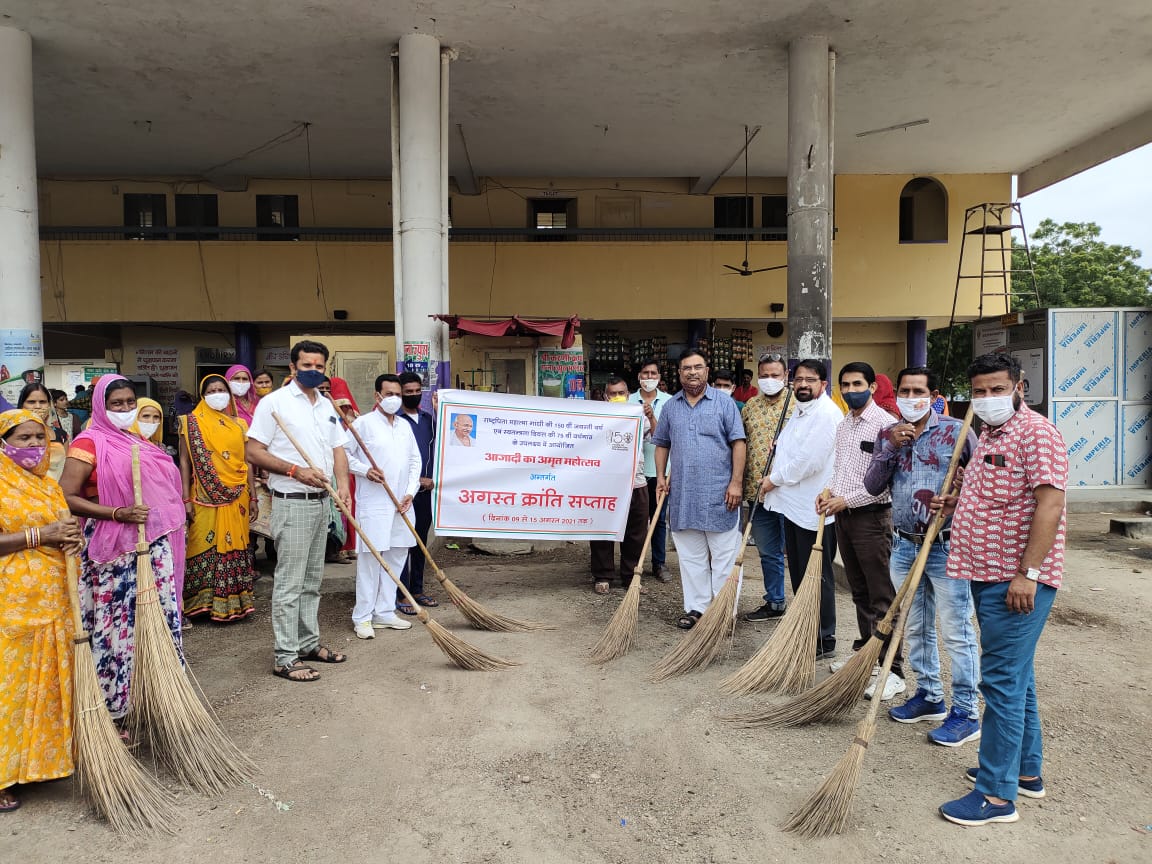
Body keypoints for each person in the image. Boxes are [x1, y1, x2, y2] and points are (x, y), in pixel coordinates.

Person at [937, 352, 1067, 827]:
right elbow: (1001, 496)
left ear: (1019, 386)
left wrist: (1026, 574)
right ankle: (1026, 773)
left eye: (997, 389)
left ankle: (995, 797)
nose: (988, 399)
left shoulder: (1036, 433)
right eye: (980, 391)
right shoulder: (990, 433)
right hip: (984, 572)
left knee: (1002, 684)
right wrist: (957, 503)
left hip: (1015, 582)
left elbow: (1049, 506)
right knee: (1018, 678)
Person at [864, 367, 980, 744]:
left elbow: (981, 487)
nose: (910, 397)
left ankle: (965, 710)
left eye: (918, 391)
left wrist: (958, 500)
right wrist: (891, 448)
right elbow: (872, 485)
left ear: (933, 395)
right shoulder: (888, 434)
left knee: (956, 631)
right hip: (904, 544)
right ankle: (929, 696)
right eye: (904, 390)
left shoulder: (958, 431)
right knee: (914, 626)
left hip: (946, 545)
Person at [59, 377, 185, 719]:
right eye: (117, 404)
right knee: (118, 629)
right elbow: (65, 497)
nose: (126, 409)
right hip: (113, 550)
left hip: (152, 547)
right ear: (101, 405)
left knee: (155, 621)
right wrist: (117, 513)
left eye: (131, 402)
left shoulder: (139, 441)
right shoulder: (89, 442)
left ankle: (153, 699)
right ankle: (113, 711)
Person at [246, 340, 351, 682]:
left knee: (312, 581)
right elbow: (253, 452)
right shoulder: (273, 404)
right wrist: (295, 471)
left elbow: (338, 450)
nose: (313, 371)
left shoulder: (326, 405)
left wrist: (344, 488)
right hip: (292, 502)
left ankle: (308, 643)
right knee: (290, 583)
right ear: (292, 368)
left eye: (319, 366)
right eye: (306, 365)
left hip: (323, 503)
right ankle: (285, 656)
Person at [0, 409, 84, 813]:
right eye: (24, 438)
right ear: (4, 442)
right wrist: (41, 535)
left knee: (49, 680)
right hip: (12, 603)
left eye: (40, 437)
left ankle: (42, 762)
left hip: (54, 597)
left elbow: (63, 526)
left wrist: (70, 539)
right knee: (12, 689)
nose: (34, 445)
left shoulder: (48, 487)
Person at [817, 361, 905, 701]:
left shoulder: (886, 426)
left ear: (871, 386)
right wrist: (828, 491)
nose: (851, 390)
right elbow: (842, 468)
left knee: (882, 596)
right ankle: (866, 656)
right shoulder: (844, 425)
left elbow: (881, 484)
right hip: (845, 517)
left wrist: (844, 499)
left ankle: (892, 669)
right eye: (845, 385)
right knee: (858, 593)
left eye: (858, 384)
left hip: (871, 519)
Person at [652, 349, 746, 628]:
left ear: (707, 370)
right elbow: (662, 443)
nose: (692, 372)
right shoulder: (671, 407)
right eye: (686, 368)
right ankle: (697, 609)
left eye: (697, 367)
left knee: (724, 559)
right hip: (683, 495)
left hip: (721, 494)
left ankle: (724, 613)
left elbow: (738, 443)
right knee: (691, 559)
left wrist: (736, 482)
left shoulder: (724, 403)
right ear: (679, 373)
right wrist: (659, 476)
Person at [759, 359, 841, 658]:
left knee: (816, 575)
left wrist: (773, 480)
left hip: (813, 508)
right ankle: (804, 628)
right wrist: (778, 447)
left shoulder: (827, 414)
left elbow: (810, 461)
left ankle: (823, 638)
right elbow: (794, 448)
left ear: (823, 384)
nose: (803, 384)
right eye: (799, 379)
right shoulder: (800, 409)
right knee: (797, 571)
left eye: (810, 379)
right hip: (793, 506)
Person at [343, 374, 418, 638]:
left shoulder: (404, 426)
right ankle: (362, 616)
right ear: (377, 397)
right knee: (372, 560)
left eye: (398, 394)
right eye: (389, 394)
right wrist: (365, 471)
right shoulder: (362, 424)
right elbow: (343, 456)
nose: (394, 399)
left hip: (402, 504)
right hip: (374, 503)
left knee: (397, 555)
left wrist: (410, 492)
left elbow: (414, 462)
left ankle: (384, 612)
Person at [178, 375, 257, 623]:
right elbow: (184, 461)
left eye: (221, 389)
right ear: (202, 395)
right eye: (211, 390)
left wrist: (253, 496)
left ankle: (234, 603)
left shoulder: (240, 425)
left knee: (237, 544)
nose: (217, 394)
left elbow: (247, 462)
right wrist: (185, 498)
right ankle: (199, 604)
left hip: (238, 496)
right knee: (200, 543)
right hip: (202, 497)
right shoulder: (189, 423)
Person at [741, 353, 794, 621]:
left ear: (785, 376)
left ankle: (807, 607)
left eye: (775, 375)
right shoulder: (750, 406)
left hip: (791, 493)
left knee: (797, 552)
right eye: (764, 375)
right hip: (757, 492)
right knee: (768, 551)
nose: (769, 380)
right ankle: (775, 602)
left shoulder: (799, 405)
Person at [590, 376, 652, 594]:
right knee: (602, 531)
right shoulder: (597, 417)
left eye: (621, 393)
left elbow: (657, 436)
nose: (618, 397)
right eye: (613, 394)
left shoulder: (639, 415)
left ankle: (630, 577)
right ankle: (602, 575)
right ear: (606, 397)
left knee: (636, 533)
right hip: (604, 483)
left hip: (636, 482)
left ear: (628, 394)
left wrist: (650, 415)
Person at [628, 358, 673, 582]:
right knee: (633, 521)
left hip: (658, 470)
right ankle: (632, 564)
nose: (649, 378)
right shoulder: (626, 401)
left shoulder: (670, 402)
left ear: (659, 378)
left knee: (658, 518)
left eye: (653, 374)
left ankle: (659, 563)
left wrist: (650, 416)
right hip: (632, 471)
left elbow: (663, 437)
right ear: (639, 377)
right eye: (645, 373)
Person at [397, 371, 438, 613]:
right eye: (408, 392)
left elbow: (442, 449)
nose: (413, 395)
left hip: (426, 493)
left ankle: (417, 589)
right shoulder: (395, 421)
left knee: (420, 542)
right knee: (401, 542)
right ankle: (400, 593)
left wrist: (432, 480)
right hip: (403, 494)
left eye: (416, 391)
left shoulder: (429, 420)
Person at [17, 383, 68, 480]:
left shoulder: (61, 435)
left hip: (55, 491)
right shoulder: (9, 434)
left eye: (42, 402)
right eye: (31, 402)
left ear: (49, 405)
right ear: (22, 405)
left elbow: (66, 470)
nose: (37, 406)